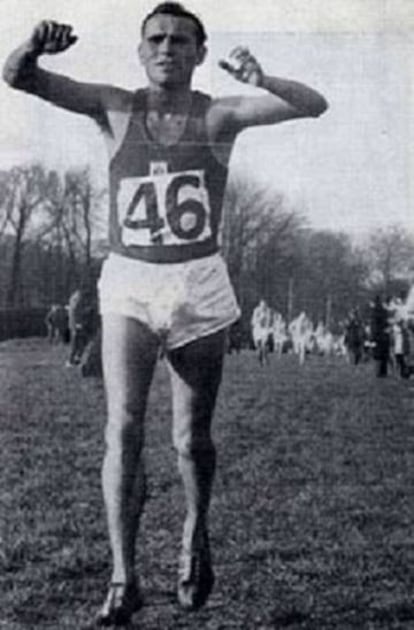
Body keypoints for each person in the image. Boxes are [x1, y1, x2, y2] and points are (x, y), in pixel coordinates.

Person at [3, 3, 328, 625]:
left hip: (199, 284)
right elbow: (17, 77)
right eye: (155, 38)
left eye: (181, 40)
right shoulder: (114, 107)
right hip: (130, 281)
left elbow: (313, 103)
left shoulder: (220, 114)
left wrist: (262, 81)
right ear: (139, 50)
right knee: (122, 429)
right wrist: (32, 46)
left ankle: (194, 532)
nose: (167, 48)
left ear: (200, 53)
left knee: (189, 439)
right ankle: (124, 577)